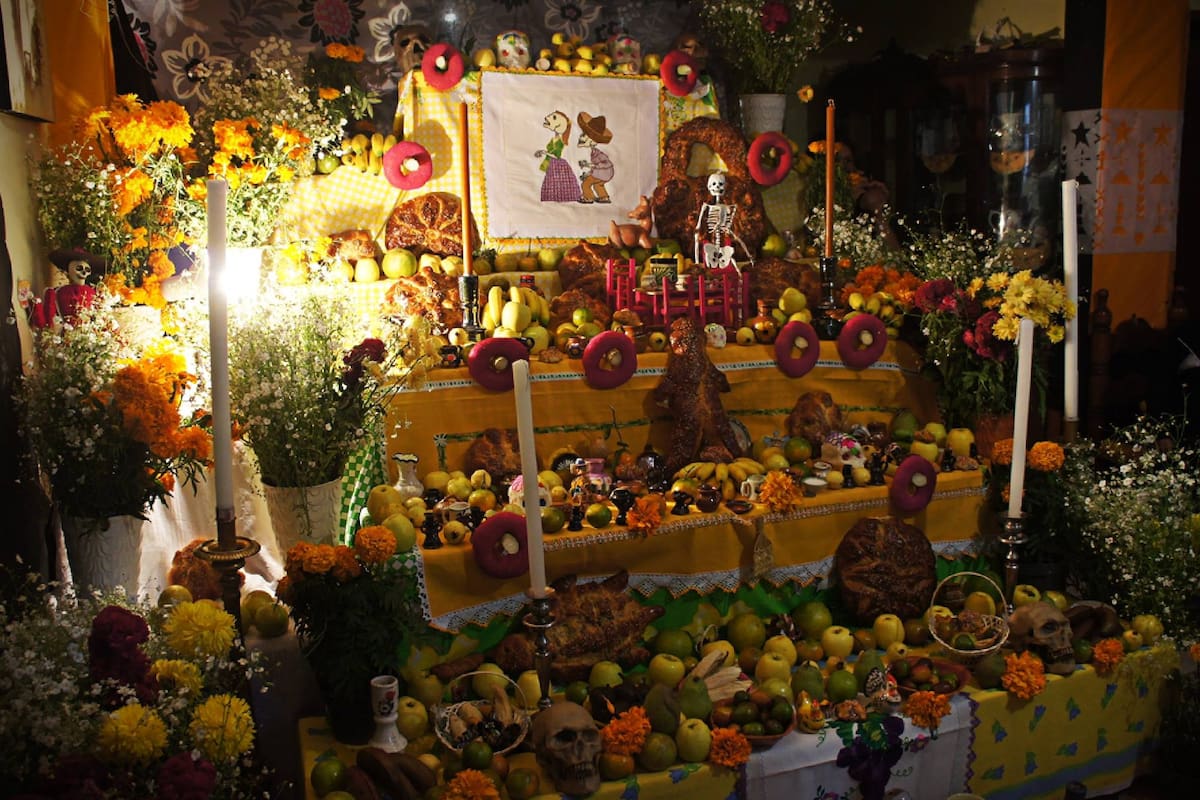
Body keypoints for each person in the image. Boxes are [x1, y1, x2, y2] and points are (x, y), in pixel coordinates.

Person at [576, 112, 614, 204]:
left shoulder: (599, 154)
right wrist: (588, 173)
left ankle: (588, 198)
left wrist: (589, 165)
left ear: (593, 141)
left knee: (586, 184)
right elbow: (596, 168)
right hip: (604, 174)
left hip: (604, 173)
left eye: (585, 135)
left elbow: (606, 164)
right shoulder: (594, 153)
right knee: (598, 185)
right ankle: (604, 197)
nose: (582, 136)